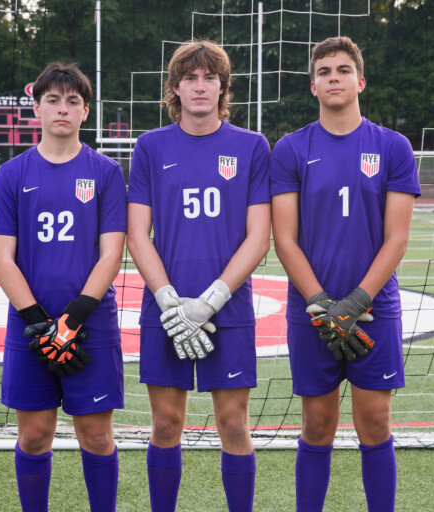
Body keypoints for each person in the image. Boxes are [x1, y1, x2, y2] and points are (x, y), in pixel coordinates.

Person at [270, 36, 420, 512]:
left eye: (342, 70)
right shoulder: (291, 149)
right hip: (311, 311)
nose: (333, 77)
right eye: (324, 71)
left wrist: (355, 303)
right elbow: (284, 240)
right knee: (317, 425)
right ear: (312, 85)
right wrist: (322, 305)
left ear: (360, 80)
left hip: (374, 310)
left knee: (374, 422)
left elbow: (396, 238)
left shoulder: (392, 146)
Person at [126, 39, 271, 512]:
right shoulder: (149, 147)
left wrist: (208, 301)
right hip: (163, 309)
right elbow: (137, 234)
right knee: (166, 423)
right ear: (175, 88)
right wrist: (170, 300)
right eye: (191, 78)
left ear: (223, 86)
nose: (201, 86)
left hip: (227, 308)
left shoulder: (252, 146)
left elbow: (258, 238)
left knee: (232, 424)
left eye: (211, 77)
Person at [0, 62, 127, 512]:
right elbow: (1, 258)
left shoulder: (106, 172)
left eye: (72, 101)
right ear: (37, 108)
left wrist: (70, 323)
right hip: (30, 328)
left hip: (92, 327)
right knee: (33, 435)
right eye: (53, 100)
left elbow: (112, 254)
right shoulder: (12, 174)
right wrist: (40, 326)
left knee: (97, 435)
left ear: (86, 110)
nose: (62, 109)